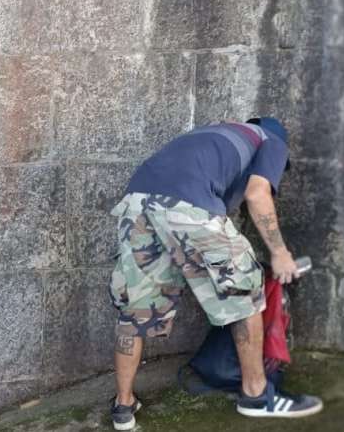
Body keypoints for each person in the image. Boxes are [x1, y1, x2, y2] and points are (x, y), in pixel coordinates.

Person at [107, 117, 323, 430]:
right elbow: (257, 193)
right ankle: (256, 396)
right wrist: (280, 253)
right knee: (244, 290)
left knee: (138, 306)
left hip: (136, 201)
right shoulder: (271, 141)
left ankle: (123, 405)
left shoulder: (213, 136)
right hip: (187, 203)